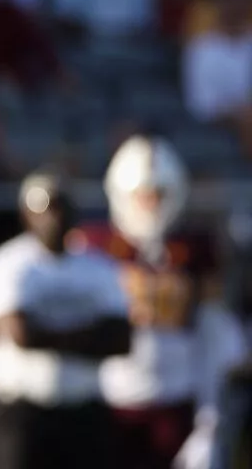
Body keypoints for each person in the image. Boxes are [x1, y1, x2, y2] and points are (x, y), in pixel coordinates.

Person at [68, 135, 247, 469]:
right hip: (111, 401)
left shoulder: (194, 251)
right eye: (141, 196)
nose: (149, 205)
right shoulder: (91, 248)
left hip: (176, 399)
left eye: (157, 195)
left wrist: (209, 423)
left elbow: (214, 337)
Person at [0, 170, 132, 469]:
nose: (53, 216)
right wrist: (90, 334)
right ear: (26, 213)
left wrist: (49, 334)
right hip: (21, 410)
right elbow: (21, 335)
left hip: (83, 410)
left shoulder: (99, 267)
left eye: (60, 207)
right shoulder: (5, 264)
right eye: (44, 208)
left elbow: (121, 339)